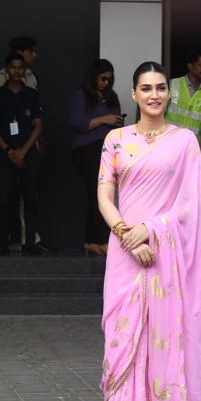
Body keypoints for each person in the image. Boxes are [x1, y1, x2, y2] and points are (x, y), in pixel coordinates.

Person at [83, 61, 201, 401]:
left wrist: (149, 231)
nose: (154, 95)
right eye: (145, 88)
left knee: (164, 342)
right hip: (124, 251)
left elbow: (192, 204)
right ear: (133, 95)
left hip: (163, 254)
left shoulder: (185, 142)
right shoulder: (115, 139)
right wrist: (124, 232)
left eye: (160, 88)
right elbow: (104, 195)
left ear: (167, 95)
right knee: (121, 342)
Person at [0, 53, 43, 256]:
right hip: (6, 151)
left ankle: (29, 243)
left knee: (30, 198)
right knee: (4, 198)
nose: (17, 71)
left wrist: (23, 151)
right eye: (13, 67)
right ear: (7, 69)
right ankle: (1, 242)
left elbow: (38, 125)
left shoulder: (32, 94)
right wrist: (8, 150)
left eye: (21, 68)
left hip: (28, 151)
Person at [70, 59, 124, 256]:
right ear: (93, 76)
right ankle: (95, 241)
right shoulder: (81, 95)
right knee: (98, 192)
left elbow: (115, 122)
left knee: (104, 194)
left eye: (110, 80)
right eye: (103, 79)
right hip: (85, 149)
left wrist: (115, 122)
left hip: (106, 150)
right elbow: (77, 123)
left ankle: (95, 241)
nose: (106, 83)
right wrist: (104, 119)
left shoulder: (112, 97)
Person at [165, 51, 201, 200]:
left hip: (193, 151)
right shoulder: (172, 85)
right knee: (168, 190)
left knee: (188, 194)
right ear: (190, 66)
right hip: (169, 148)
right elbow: (159, 114)